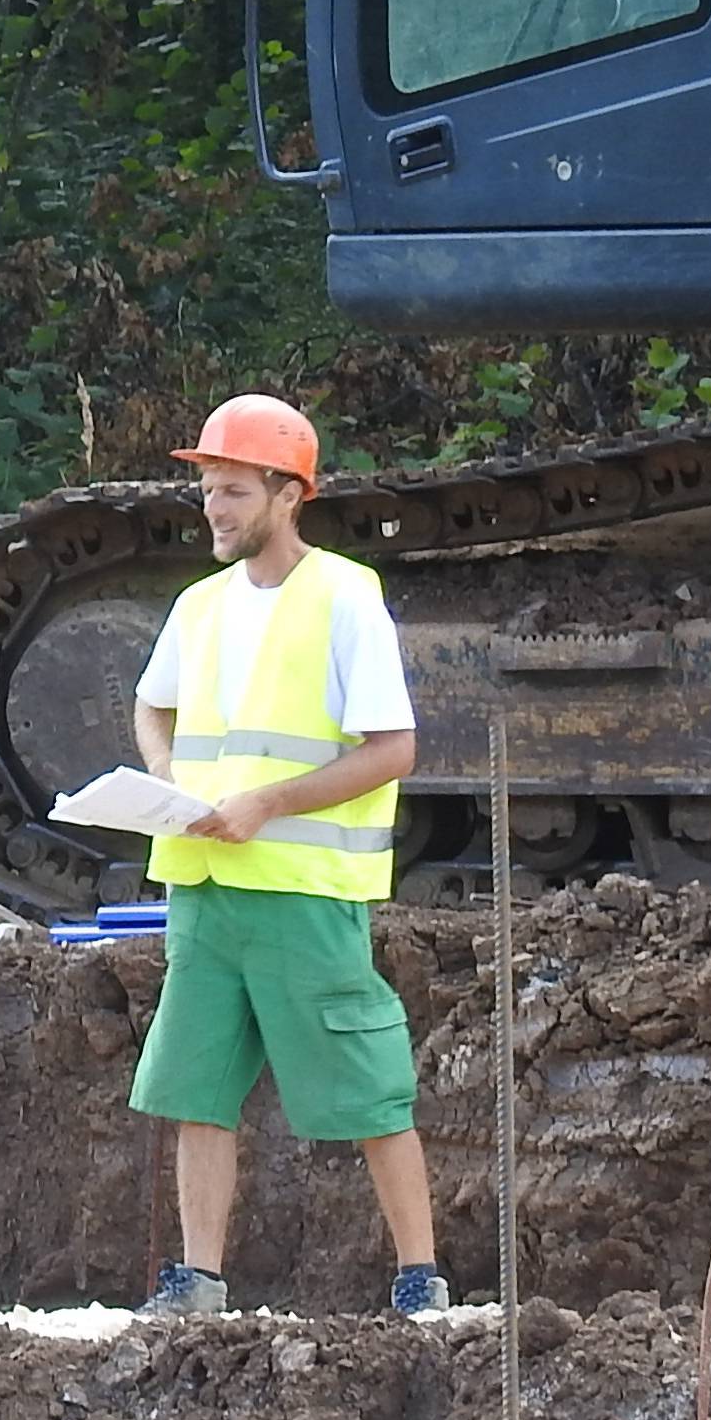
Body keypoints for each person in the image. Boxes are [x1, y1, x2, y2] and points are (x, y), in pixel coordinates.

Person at [127, 392, 448, 1321]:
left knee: (367, 1085)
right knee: (195, 1088)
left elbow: (393, 748)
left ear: (287, 493)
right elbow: (155, 706)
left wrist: (267, 802)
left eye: (232, 492)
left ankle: (420, 1278)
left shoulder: (346, 596)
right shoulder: (200, 606)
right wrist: (168, 776)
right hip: (205, 888)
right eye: (208, 493)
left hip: (305, 894)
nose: (214, 511)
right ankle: (199, 1282)